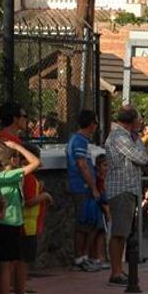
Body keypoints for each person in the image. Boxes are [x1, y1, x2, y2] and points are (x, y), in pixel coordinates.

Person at [0, 140, 40, 294]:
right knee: (5, 265)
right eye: (17, 157)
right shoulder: (7, 176)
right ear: (11, 160)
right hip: (8, 223)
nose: (20, 159)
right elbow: (35, 163)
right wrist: (19, 147)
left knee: (5, 264)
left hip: (11, 223)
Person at [104, 106, 148, 287]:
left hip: (129, 188)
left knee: (124, 232)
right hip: (121, 189)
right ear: (131, 121)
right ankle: (115, 273)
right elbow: (142, 158)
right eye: (138, 119)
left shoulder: (129, 137)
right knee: (119, 232)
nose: (141, 122)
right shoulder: (120, 137)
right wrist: (138, 139)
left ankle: (118, 269)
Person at [15, 143, 52, 294]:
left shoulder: (28, 177)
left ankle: (19, 287)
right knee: (23, 260)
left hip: (30, 223)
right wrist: (44, 196)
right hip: (27, 224)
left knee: (22, 259)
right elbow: (29, 201)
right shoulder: (28, 178)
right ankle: (20, 291)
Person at [65, 110, 102, 272]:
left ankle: (85, 256)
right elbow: (82, 165)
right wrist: (93, 187)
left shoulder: (81, 141)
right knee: (83, 223)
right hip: (82, 187)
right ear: (91, 124)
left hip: (84, 187)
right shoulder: (79, 141)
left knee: (90, 222)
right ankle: (79, 258)